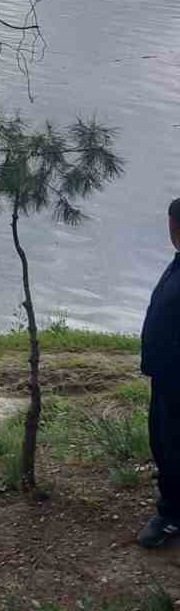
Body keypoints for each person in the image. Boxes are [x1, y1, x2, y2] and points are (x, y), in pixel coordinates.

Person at [138, 197, 180, 549]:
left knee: (172, 445)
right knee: (164, 443)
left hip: (176, 380)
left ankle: (171, 515)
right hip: (165, 378)